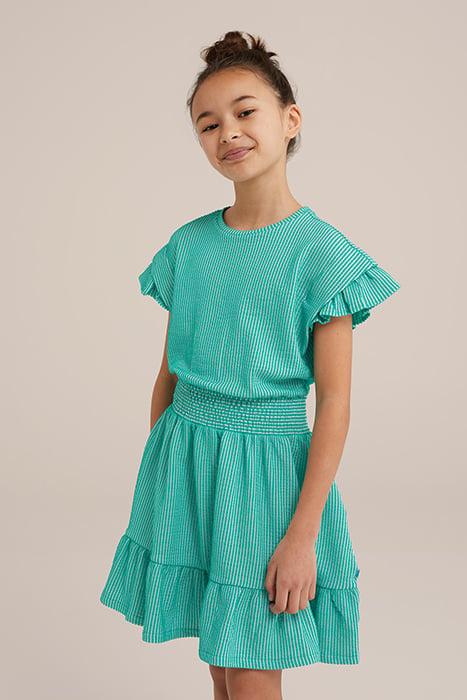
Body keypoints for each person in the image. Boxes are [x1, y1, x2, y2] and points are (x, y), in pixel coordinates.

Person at [99, 29, 400, 700]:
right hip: (187, 463)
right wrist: (165, 476)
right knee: (220, 663)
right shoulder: (189, 246)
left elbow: (335, 404)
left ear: (289, 120)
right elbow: (170, 374)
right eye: (208, 124)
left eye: (244, 112)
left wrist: (302, 534)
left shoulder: (323, 256)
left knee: (251, 660)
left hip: (267, 478)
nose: (227, 132)